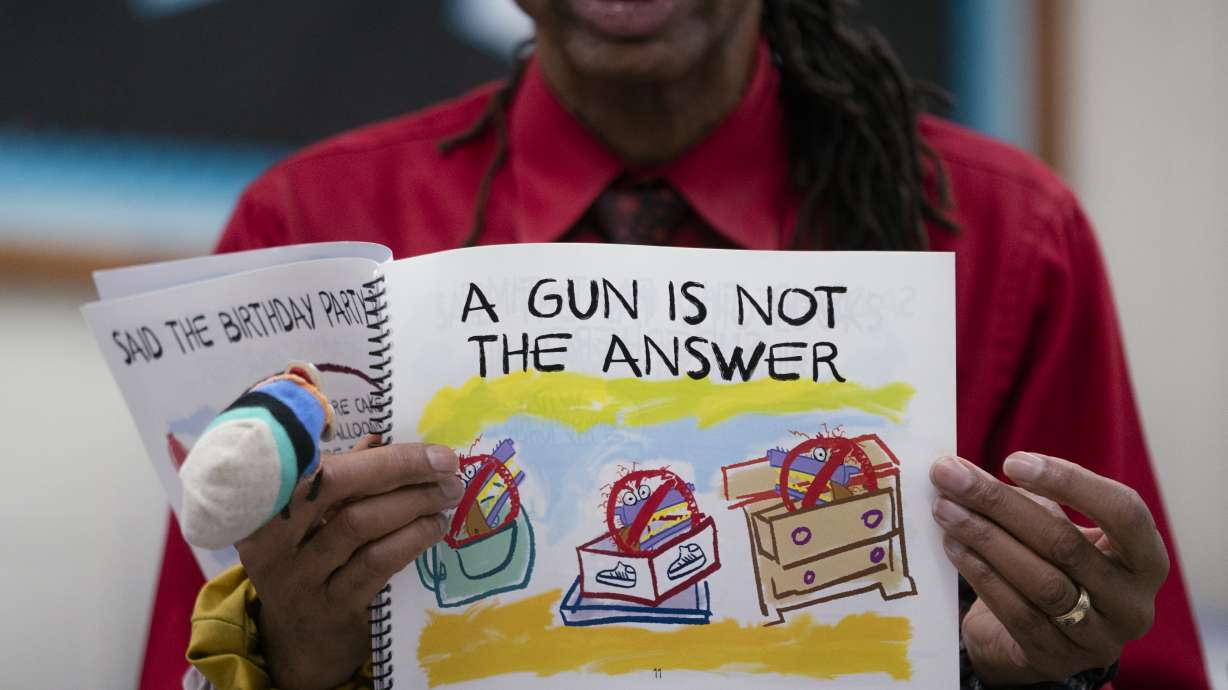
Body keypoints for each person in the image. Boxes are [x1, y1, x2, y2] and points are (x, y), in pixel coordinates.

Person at [143, 1, 1209, 689]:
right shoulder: (308, 232)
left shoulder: (1009, 234)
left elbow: (1132, 653)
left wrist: (1064, 668)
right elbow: (170, 665)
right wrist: (299, 655)